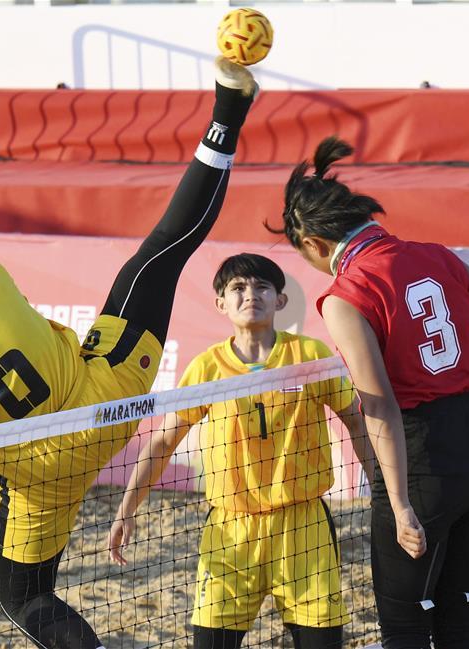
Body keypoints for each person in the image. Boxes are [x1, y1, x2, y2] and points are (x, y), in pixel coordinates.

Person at [0, 58, 258, 647]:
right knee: (164, 250)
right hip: (106, 397)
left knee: (26, 598)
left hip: (40, 472)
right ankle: (228, 111)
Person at [266, 137, 469, 649]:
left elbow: (377, 403)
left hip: (420, 453)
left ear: (313, 243)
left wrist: (400, 502)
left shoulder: (346, 292)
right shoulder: (438, 256)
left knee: (405, 627)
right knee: (461, 617)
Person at [107, 252, 374, 649]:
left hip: (303, 526)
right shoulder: (207, 368)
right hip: (230, 530)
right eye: (238, 288)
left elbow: (357, 422)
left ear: (280, 300)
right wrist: (126, 509)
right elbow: (162, 442)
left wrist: (386, 492)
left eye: (262, 287)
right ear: (221, 304)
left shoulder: (310, 355)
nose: (251, 295)